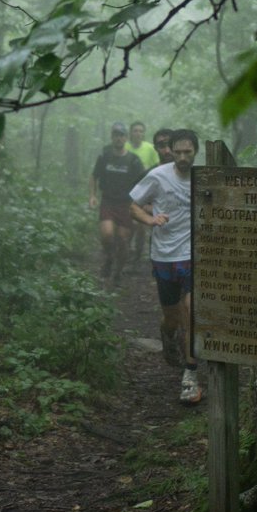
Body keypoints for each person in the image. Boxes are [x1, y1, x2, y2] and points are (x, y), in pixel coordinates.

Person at [129, 129, 201, 403]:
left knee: (190, 310)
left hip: (192, 255)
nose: (183, 157)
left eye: (188, 152)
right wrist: (150, 220)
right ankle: (167, 332)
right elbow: (133, 206)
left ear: (195, 151)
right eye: (178, 152)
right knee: (173, 317)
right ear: (170, 151)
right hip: (164, 256)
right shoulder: (158, 176)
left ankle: (191, 375)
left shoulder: (203, 177)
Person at [89, 122, 146, 285]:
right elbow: (94, 176)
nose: (119, 138)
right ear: (112, 137)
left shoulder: (134, 160)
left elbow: (143, 183)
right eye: (116, 135)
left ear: (126, 138)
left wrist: (139, 207)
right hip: (108, 201)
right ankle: (108, 258)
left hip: (126, 204)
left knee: (123, 239)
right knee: (107, 234)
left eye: (121, 135)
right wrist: (92, 195)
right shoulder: (104, 156)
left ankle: (118, 272)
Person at [127, 121, 160, 260]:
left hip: (145, 190)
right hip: (127, 189)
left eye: (141, 131)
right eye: (135, 130)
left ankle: (138, 254)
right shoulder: (125, 147)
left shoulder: (150, 148)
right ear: (130, 133)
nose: (138, 133)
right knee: (128, 224)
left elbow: (157, 168)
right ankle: (125, 250)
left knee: (140, 226)